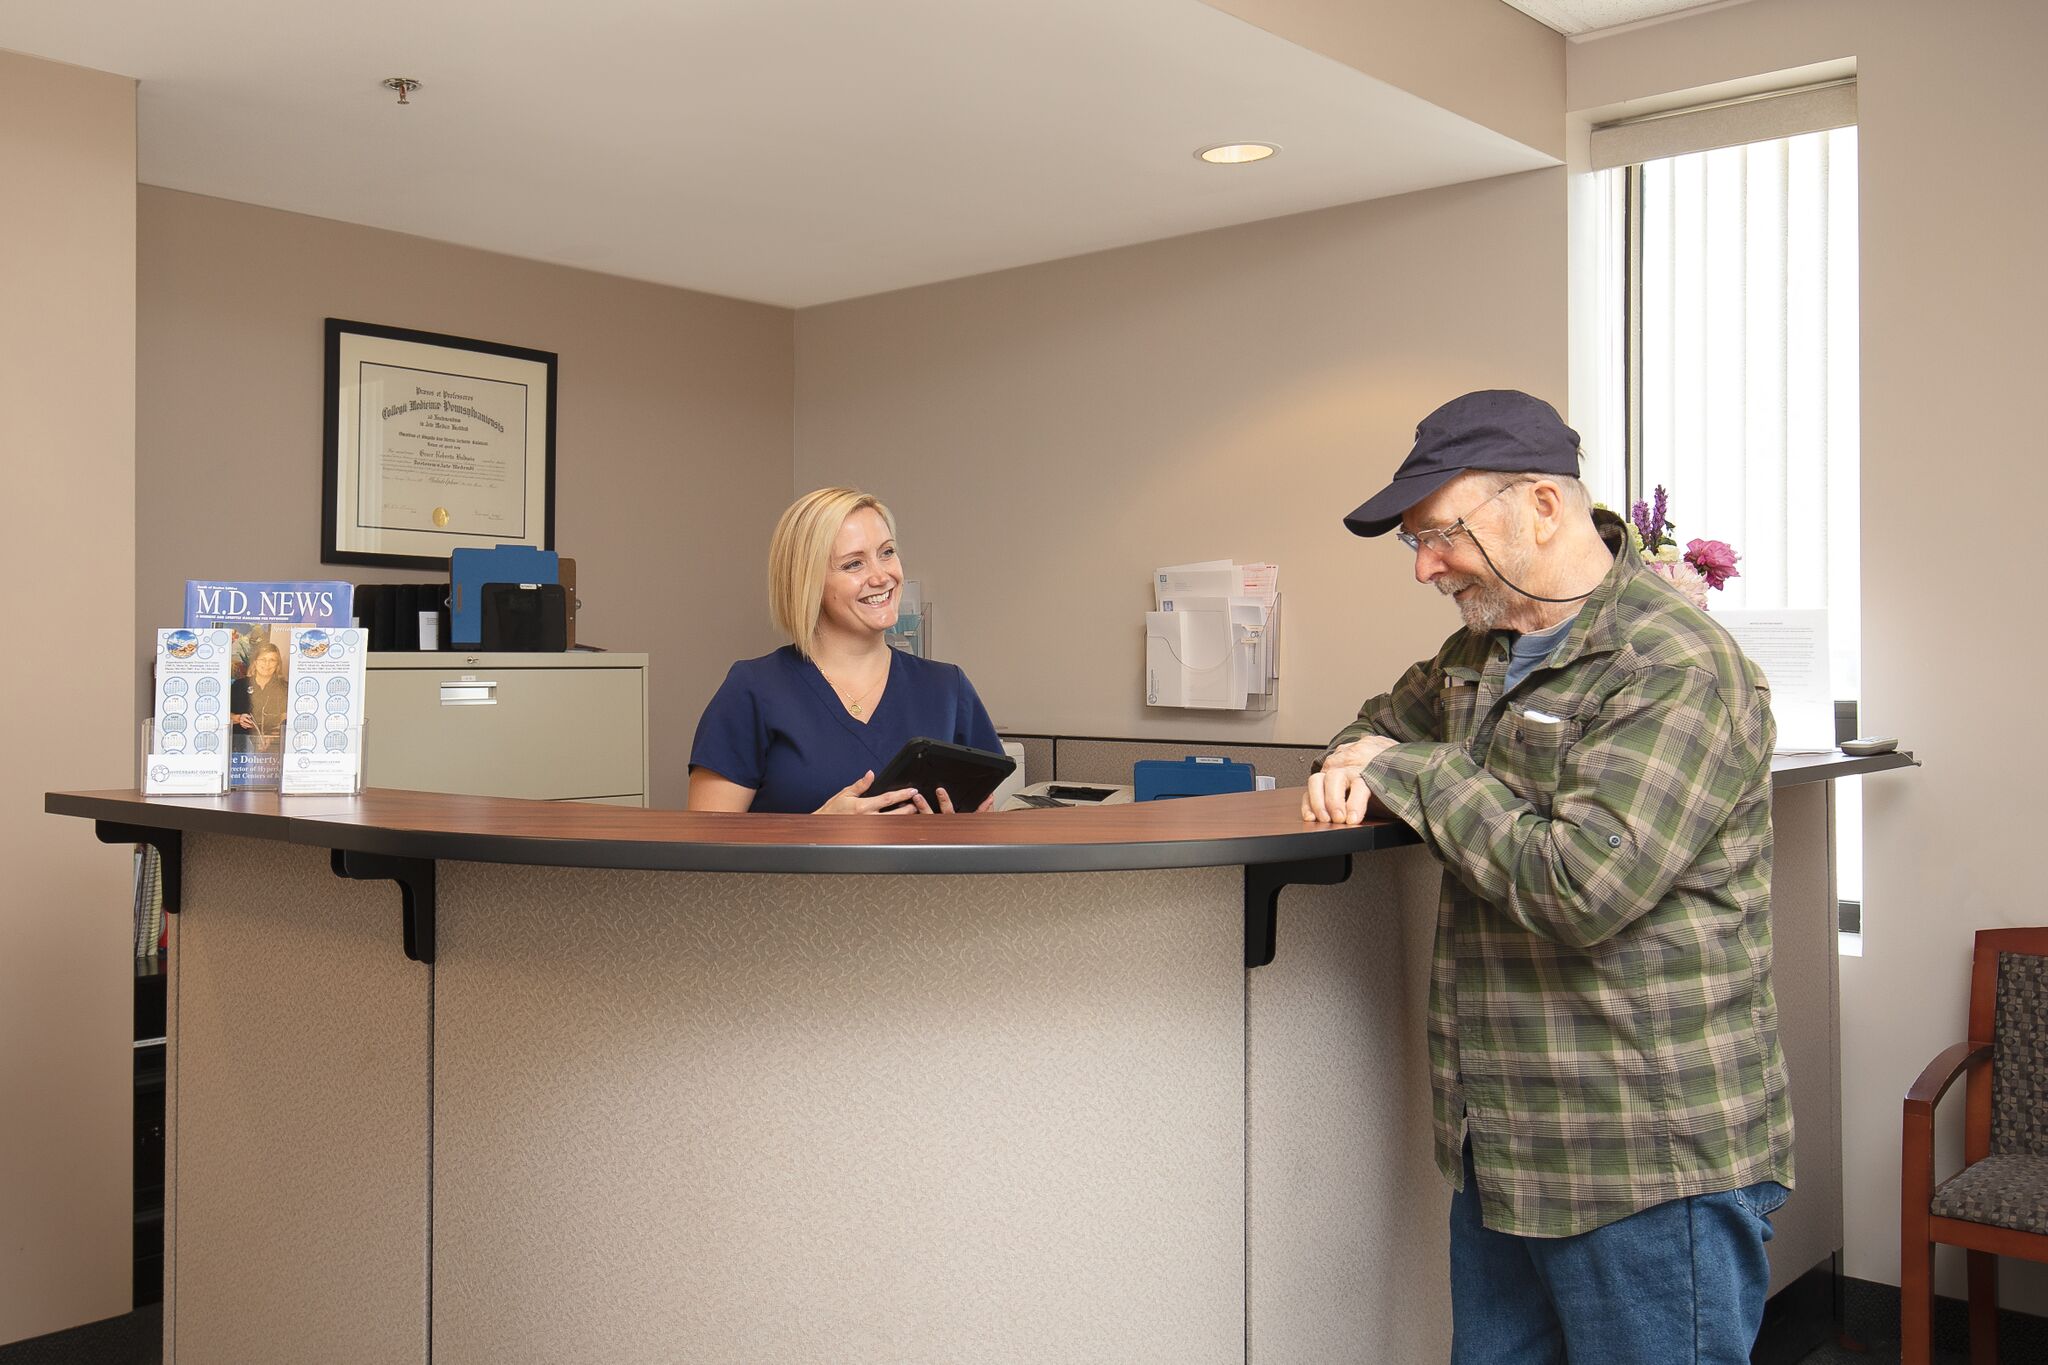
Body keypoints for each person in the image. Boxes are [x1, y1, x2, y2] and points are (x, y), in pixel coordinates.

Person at [1302, 390, 1789, 1365]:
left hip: (1642, 1161)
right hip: (1504, 1149)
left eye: (1436, 535)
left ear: (1539, 506)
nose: (1423, 567)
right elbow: (1365, 726)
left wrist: (1408, 771)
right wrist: (1369, 752)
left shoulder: (1675, 667)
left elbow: (1579, 884)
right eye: (1413, 543)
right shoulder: (1474, 656)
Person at [689, 487, 1003, 814]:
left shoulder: (947, 688)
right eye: (854, 564)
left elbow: (985, 829)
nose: (882, 576)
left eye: (887, 552)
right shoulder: (752, 690)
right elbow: (704, 851)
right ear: (808, 581)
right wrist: (820, 829)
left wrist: (955, 834)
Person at [230, 640, 288, 752]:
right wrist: (238, 718)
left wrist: (271, 737)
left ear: (277, 664)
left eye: (272, 660)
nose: (267, 664)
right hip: (241, 748)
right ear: (255, 662)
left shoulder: (284, 688)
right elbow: (224, 715)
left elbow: (286, 718)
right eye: (263, 659)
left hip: (274, 749)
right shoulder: (239, 685)